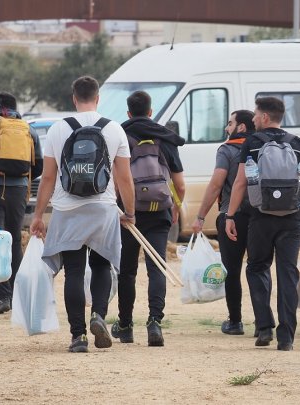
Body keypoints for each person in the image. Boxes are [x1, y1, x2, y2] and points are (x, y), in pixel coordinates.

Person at [30, 76, 137, 353]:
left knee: (74, 272)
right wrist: (130, 212)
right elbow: (125, 178)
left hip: (67, 208)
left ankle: (78, 336)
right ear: (98, 98)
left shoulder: (57, 129)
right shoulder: (114, 129)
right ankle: (98, 315)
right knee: (102, 266)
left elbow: (49, 177)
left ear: (74, 98)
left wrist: (38, 215)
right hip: (104, 207)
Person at [225, 96, 300, 351]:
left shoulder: (253, 143)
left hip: (261, 217)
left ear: (265, 117)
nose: (254, 119)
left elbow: (239, 182)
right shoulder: (298, 144)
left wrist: (230, 216)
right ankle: (286, 336)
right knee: (287, 274)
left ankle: (265, 326)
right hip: (292, 218)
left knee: (257, 267)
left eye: (256, 115)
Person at [110, 90, 185, 346]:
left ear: (128, 112)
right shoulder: (165, 138)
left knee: (127, 271)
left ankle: (126, 325)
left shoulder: (120, 135)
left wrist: (122, 208)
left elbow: (116, 180)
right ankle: (155, 323)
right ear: (151, 111)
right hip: (159, 211)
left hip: (129, 215)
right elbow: (180, 184)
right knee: (158, 268)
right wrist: (176, 205)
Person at [191, 110, 255, 335]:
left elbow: (217, 184)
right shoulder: (262, 146)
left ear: (242, 127)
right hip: (260, 217)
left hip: (232, 217)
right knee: (258, 269)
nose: (227, 128)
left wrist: (200, 216)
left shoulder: (227, 150)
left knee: (232, 269)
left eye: (230, 123)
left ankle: (235, 322)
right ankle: (264, 324)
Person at [0, 92, 43, 314]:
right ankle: (18, 294)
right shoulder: (29, 129)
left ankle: (3, 296)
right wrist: (21, 174)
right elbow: (39, 166)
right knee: (15, 240)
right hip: (18, 190)